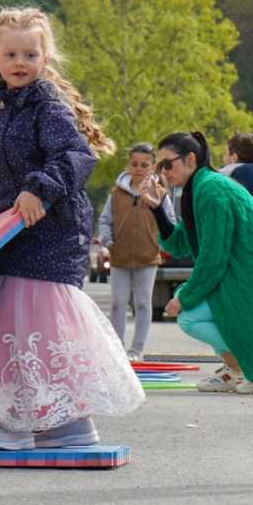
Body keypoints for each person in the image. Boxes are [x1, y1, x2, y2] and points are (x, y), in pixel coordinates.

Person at [0, 7, 144, 450]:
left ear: (45, 57)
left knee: (40, 327)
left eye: (30, 54)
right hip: (6, 232)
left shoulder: (48, 105)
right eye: (11, 53)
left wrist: (39, 190)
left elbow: (74, 156)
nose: (20, 62)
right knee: (4, 327)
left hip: (51, 230)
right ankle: (17, 418)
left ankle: (67, 423)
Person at [153, 132, 253, 395]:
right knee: (195, 309)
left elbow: (213, 258)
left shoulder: (211, 191)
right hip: (250, 273)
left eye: (167, 164)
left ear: (190, 159)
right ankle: (236, 370)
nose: (163, 172)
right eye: (159, 166)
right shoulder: (198, 189)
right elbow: (181, 243)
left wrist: (185, 297)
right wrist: (156, 209)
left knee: (189, 316)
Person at [97, 143, 174, 360]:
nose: (139, 168)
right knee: (118, 302)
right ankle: (118, 348)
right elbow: (105, 220)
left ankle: (136, 350)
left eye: (144, 165)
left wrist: (160, 245)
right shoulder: (116, 194)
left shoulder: (160, 193)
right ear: (128, 165)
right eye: (134, 164)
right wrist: (109, 241)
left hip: (147, 256)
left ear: (152, 167)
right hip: (119, 256)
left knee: (142, 303)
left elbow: (170, 222)